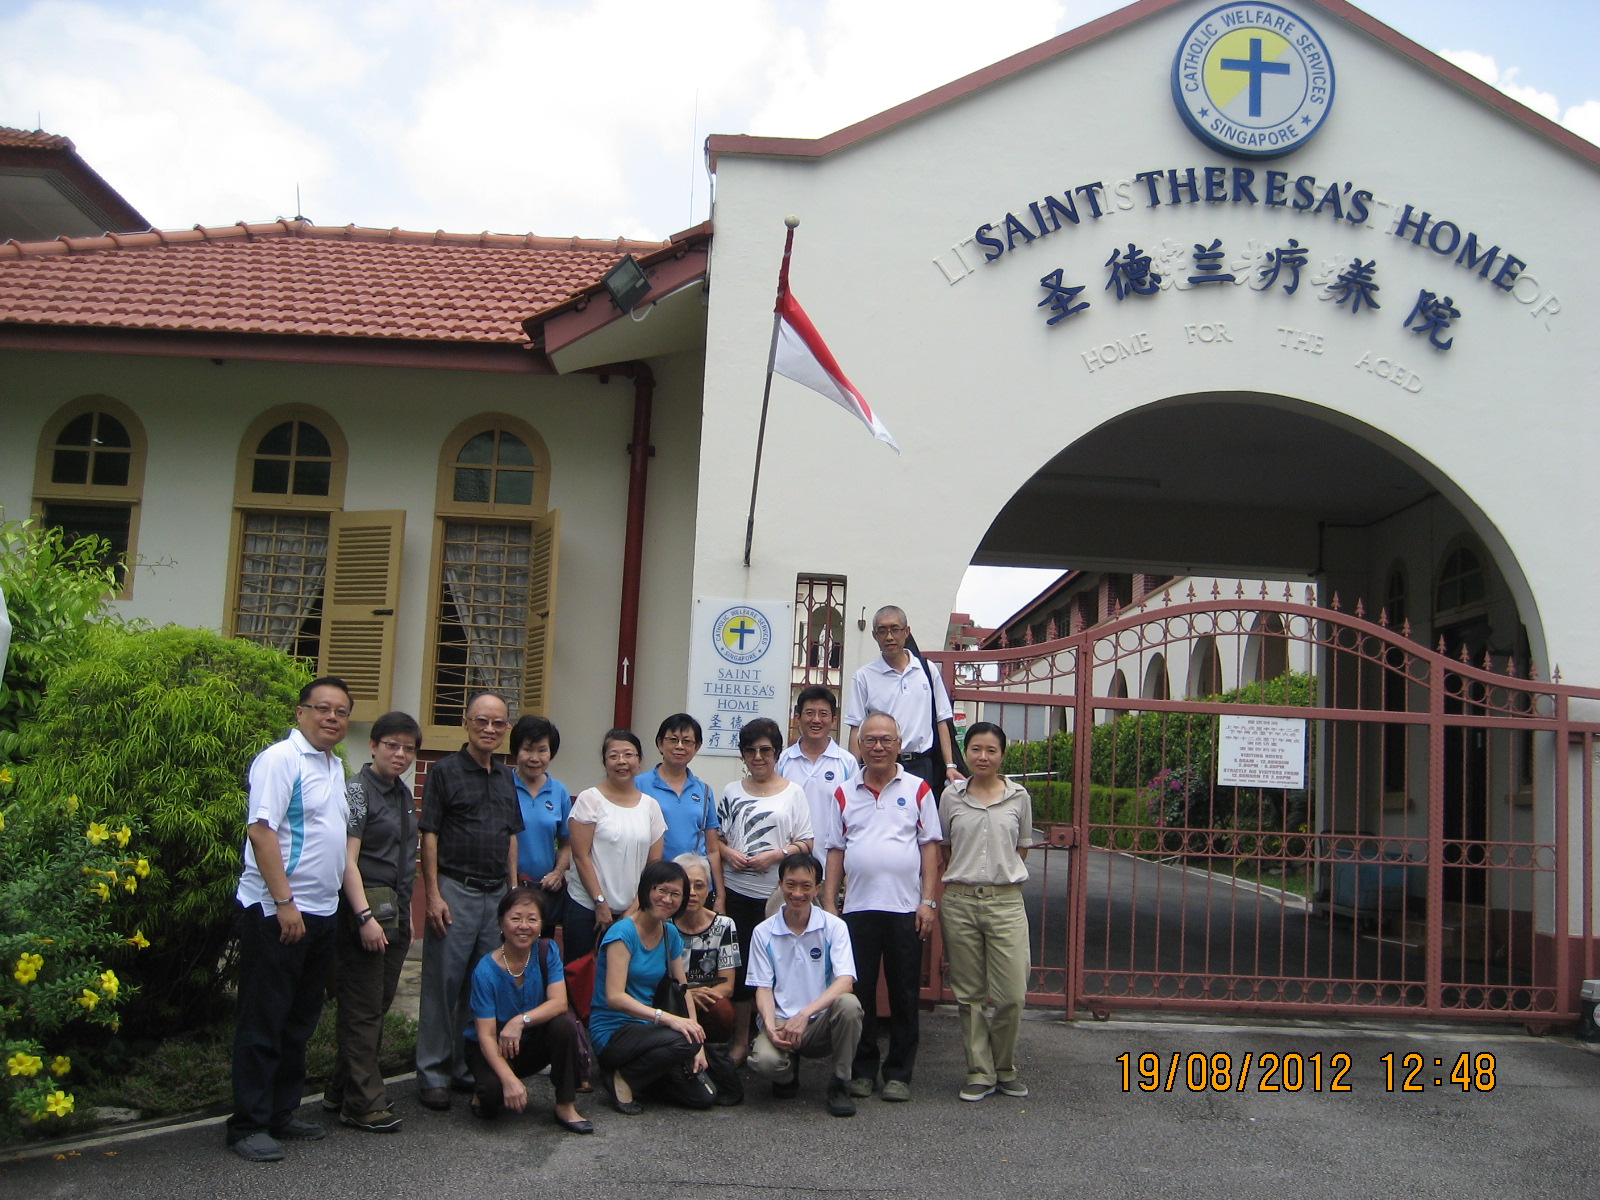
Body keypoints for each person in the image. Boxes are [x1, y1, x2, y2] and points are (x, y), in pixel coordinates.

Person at [227, 677, 353, 1162]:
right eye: (322, 708)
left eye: (341, 712)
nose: (331, 718)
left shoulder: (333, 765)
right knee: (264, 1018)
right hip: (278, 912)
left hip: (320, 912)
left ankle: (280, 1112)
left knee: (299, 1021)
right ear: (300, 712)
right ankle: (247, 1125)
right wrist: (284, 903)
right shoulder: (281, 760)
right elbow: (262, 832)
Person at [822, 710, 942, 1103]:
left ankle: (899, 1073)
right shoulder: (844, 792)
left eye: (886, 740)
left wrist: (928, 902)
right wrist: (829, 905)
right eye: (870, 739)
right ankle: (862, 1069)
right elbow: (836, 851)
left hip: (906, 909)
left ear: (899, 745)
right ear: (859, 745)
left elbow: (930, 849)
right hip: (857, 910)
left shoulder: (919, 790)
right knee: (860, 993)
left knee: (906, 992)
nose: (877, 746)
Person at [415, 691, 523, 1111]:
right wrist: (434, 894)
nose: (490, 730)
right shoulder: (443, 771)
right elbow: (430, 833)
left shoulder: (504, 776)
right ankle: (433, 1071)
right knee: (443, 983)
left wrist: (512, 891)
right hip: (455, 890)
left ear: (506, 728)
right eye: (482, 721)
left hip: (495, 892)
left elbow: (510, 834)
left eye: (498, 723)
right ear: (466, 722)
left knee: (481, 986)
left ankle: (465, 1067)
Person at [325, 711, 421, 1133]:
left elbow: (405, 861)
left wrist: (408, 915)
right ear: (374, 746)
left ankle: (337, 1089)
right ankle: (363, 1103)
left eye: (408, 748)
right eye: (392, 746)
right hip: (364, 917)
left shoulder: (403, 795)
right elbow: (347, 860)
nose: (400, 754)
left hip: (394, 916)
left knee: (376, 1007)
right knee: (363, 1010)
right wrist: (363, 916)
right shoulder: (358, 792)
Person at [936, 722, 1033, 1102]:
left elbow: (1021, 848)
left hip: (1006, 902)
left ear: (1002, 755)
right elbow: (943, 847)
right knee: (969, 994)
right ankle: (979, 1070)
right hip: (960, 902)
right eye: (976, 749)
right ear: (966, 753)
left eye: (991, 750)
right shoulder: (951, 797)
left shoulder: (1018, 797)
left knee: (1012, 994)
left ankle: (1004, 1066)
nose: (983, 757)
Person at [713, 717, 813, 1065]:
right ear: (743, 755)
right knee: (740, 971)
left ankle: (775, 1038)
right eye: (751, 750)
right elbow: (717, 841)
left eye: (765, 750)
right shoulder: (730, 791)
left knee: (778, 970)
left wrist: (775, 854)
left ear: (777, 752)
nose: (758, 757)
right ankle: (741, 1040)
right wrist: (730, 854)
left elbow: (806, 842)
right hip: (738, 891)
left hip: (778, 898)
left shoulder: (793, 792)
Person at [588, 860, 714, 1114]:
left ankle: (641, 1079)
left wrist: (697, 1039)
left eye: (675, 894)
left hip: (650, 1032)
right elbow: (614, 997)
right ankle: (623, 1077)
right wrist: (670, 1021)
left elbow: (682, 987)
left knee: (703, 1097)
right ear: (646, 890)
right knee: (683, 1040)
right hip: (614, 1031)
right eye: (662, 890)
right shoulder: (622, 933)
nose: (668, 899)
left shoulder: (669, 933)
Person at [464, 887, 592, 1133]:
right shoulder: (485, 970)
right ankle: (484, 1089)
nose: (524, 926)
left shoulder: (547, 951)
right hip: (493, 1046)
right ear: (501, 923)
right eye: (516, 918)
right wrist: (510, 1081)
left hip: (530, 1040)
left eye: (532, 919)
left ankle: (565, 1104)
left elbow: (559, 1003)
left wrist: (520, 1021)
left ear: (542, 924)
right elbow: (485, 1035)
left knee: (563, 1024)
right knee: (492, 1102)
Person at [747, 852, 862, 1117]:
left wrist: (805, 1014)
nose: (797, 893)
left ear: (817, 889)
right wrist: (769, 1024)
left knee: (849, 1005)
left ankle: (840, 1082)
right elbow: (762, 987)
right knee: (764, 1062)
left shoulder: (834, 927)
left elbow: (846, 981)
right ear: (780, 885)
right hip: (781, 1023)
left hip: (819, 1023)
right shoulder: (763, 932)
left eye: (806, 886)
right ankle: (787, 1075)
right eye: (791, 884)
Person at [564, 729, 666, 962]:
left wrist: (632, 911)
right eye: (614, 756)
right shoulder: (589, 800)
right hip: (587, 909)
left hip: (635, 912)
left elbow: (654, 865)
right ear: (604, 762)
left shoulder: (650, 807)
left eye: (628, 754)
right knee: (582, 980)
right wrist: (600, 903)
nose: (622, 761)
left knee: (625, 980)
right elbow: (580, 856)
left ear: (639, 760)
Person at [844, 605, 962, 792]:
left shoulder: (927, 670)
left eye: (895, 629)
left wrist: (950, 766)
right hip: (880, 765)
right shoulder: (864, 676)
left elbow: (942, 720)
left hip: (921, 765)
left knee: (920, 819)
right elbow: (856, 727)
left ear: (906, 632)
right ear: (875, 635)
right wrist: (853, 773)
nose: (889, 637)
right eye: (882, 631)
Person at [778, 686, 857, 879]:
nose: (816, 720)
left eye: (823, 714)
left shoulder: (847, 763)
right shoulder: (783, 761)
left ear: (834, 720)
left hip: (831, 870)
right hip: (786, 870)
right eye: (809, 713)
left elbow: (855, 817)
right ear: (798, 718)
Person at [509, 715, 572, 930]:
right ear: (516, 751)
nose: (534, 758)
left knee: (542, 953)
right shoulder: (503, 785)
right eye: (527, 749)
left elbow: (567, 842)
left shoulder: (559, 791)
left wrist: (558, 872)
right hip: (509, 889)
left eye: (542, 750)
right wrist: (512, 884)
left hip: (545, 893)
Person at [636, 713, 722, 870]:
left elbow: (713, 849)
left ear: (697, 747)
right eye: (673, 740)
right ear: (660, 744)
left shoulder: (704, 791)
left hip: (694, 882)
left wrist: (720, 893)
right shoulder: (639, 784)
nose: (680, 746)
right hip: (655, 880)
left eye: (687, 741)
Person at [670, 852, 739, 1044]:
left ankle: (714, 1056)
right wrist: (686, 995)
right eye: (686, 885)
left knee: (722, 1010)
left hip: (708, 1000)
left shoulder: (724, 925)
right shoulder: (664, 924)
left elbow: (727, 985)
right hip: (672, 999)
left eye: (699, 886)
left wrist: (698, 998)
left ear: (708, 888)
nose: (692, 892)